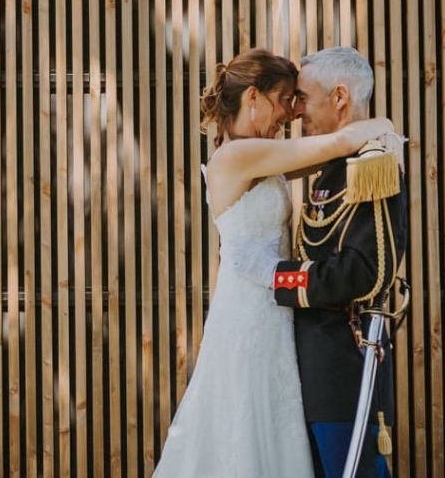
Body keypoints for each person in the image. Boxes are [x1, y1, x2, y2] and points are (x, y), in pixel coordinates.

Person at [153, 48, 396, 477]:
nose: (292, 112)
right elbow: (339, 143)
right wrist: (385, 127)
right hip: (248, 313)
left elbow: (332, 155)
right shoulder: (235, 157)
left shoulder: (264, 155)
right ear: (253, 97)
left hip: (281, 310)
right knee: (244, 432)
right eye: (285, 99)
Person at [272, 46, 409, 477]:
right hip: (313, 360)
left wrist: (279, 279)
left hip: (343, 361)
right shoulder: (334, 164)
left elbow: (368, 272)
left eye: (303, 98)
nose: (296, 112)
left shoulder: (373, 164)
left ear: (339, 98)